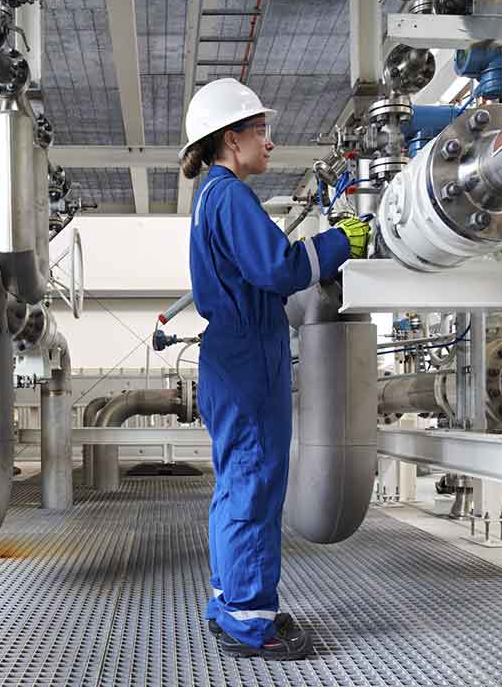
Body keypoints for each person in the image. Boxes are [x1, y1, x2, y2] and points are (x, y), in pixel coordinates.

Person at [179, 78, 370, 661]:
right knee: (256, 484)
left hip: (230, 354)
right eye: (261, 130)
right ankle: (250, 622)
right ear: (230, 138)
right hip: (248, 355)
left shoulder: (210, 197)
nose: (269, 142)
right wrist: (340, 242)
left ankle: (230, 602)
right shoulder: (231, 195)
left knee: (236, 483)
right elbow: (280, 268)